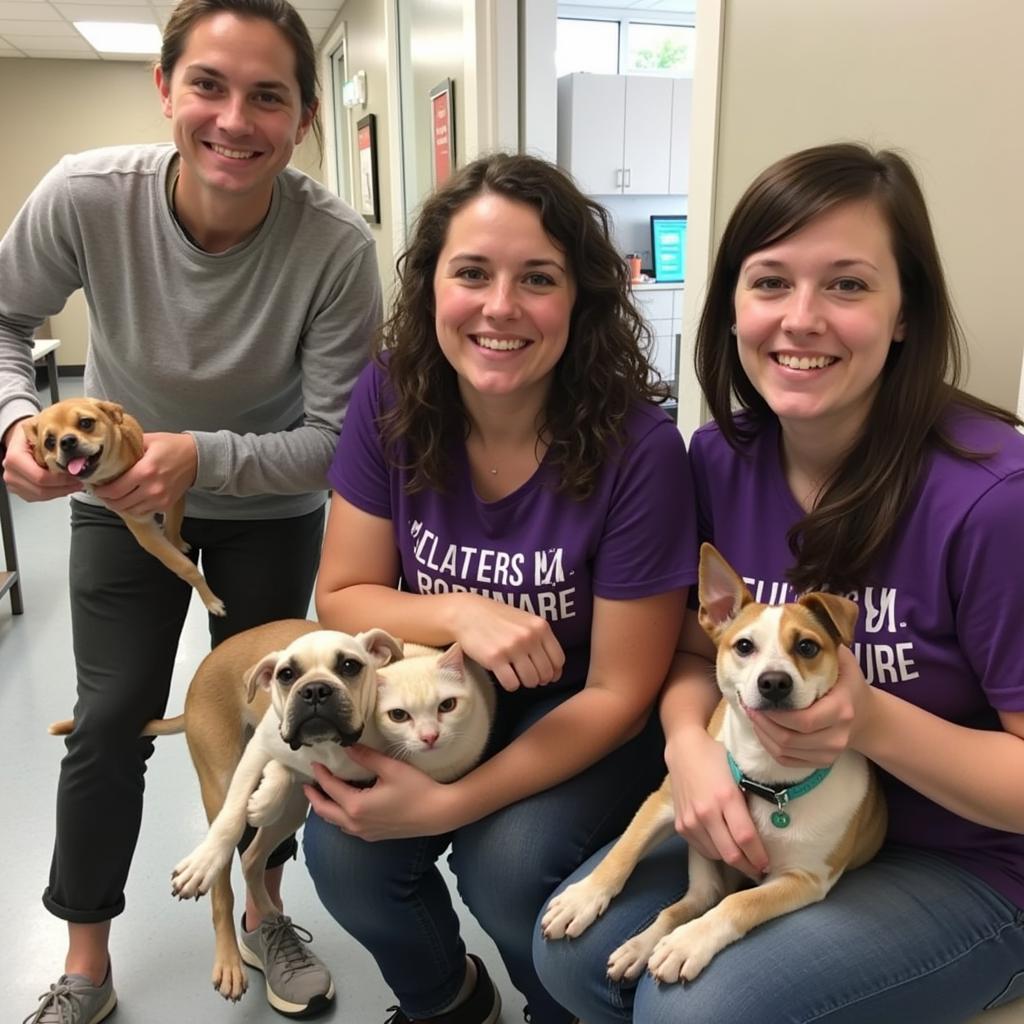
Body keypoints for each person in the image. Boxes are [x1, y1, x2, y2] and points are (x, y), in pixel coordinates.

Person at [533, 142, 1024, 1023]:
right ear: (730, 306)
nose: (802, 319)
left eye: (847, 284)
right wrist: (689, 747)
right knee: (567, 962)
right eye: (769, 282)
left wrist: (868, 720)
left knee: (698, 1010)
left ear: (906, 310)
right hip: (774, 806)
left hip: (974, 864)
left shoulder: (994, 501)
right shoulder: (721, 458)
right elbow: (697, 647)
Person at [0, 0, 381, 1019]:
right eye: (207, 85)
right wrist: (13, 420)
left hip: (269, 503)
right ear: (164, 89)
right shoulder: (86, 195)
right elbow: (4, 318)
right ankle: (85, 958)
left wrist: (201, 454)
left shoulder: (337, 248)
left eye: (268, 96)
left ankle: (262, 907)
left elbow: (337, 440)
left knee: (286, 715)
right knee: (110, 716)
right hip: (123, 503)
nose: (232, 119)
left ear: (301, 119)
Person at [300, 151, 698, 1024]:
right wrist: (456, 610)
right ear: (431, 287)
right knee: (342, 854)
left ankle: (553, 1012)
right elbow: (345, 592)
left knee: (509, 869)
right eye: (471, 273)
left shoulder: (640, 450)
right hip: (437, 688)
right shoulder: (391, 396)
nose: (500, 307)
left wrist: (452, 802)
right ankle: (448, 1000)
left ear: (580, 301)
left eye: (539, 279)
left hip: (582, 712)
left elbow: (622, 693)